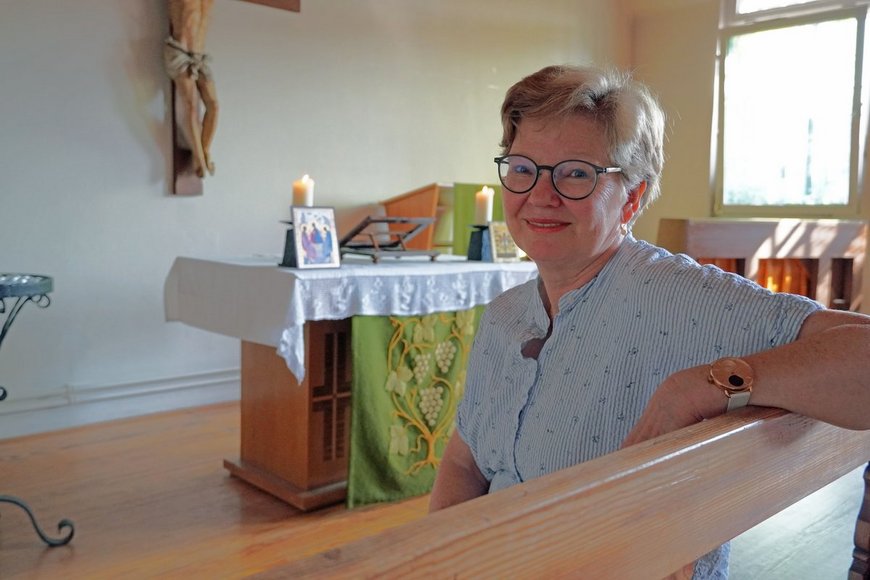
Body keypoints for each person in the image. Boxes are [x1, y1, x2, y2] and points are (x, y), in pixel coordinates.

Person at [428, 64, 870, 579]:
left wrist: (701, 386)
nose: (541, 195)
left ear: (632, 198)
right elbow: (466, 461)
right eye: (524, 168)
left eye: (576, 173)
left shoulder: (680, 298)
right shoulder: (505, 314)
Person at [165, 0, 219, 178]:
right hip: (181, 52)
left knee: (214, 106)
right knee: (191, 107)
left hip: (199, 57)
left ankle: (204, 150)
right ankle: (198, 158)